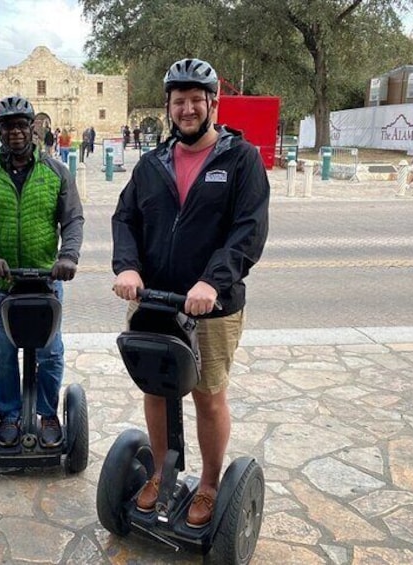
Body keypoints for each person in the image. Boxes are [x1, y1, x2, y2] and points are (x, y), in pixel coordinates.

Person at [111, 58, 269, 529]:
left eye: (196, 100)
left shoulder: (240, 159)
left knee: (207, 395)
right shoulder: (151, 163)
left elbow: (248, 230)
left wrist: (212, 280)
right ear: (168, 106)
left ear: (212, 104)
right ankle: (161, 473)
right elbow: (125, 219)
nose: (187, 109)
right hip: (154, 300)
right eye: (178, 101)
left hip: (211, 308)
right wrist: (128, 267)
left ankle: (209, 484)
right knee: (156, 391)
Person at [0, 95, 84, 449]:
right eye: (7, 126)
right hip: (1, 285)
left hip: (45, 283)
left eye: (21, 125)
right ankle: (10, 416)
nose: (15, 132)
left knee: (50, 352)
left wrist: (68, 256)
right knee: (1, 354)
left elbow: (73, 219)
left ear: (33, 128)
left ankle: (48, 413)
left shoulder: (56, 173)